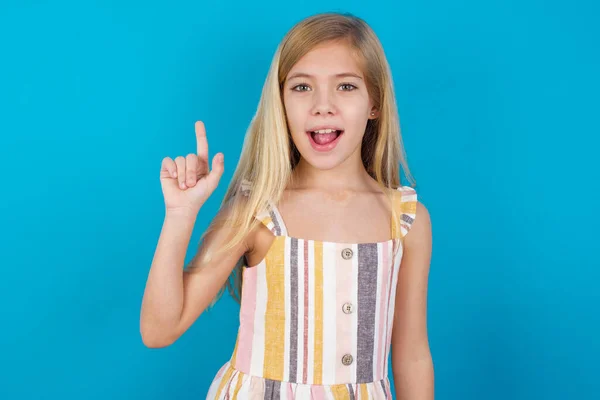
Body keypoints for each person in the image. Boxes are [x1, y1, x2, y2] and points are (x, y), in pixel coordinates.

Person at [140, 11, 434, 399]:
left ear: (374, 103)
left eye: (346, 87)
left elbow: (412, 355)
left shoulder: (406, 220)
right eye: (301, 87)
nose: (322, 106)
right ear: (280, 102)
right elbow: (159, 330)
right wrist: (180, 215)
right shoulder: (256, 211)